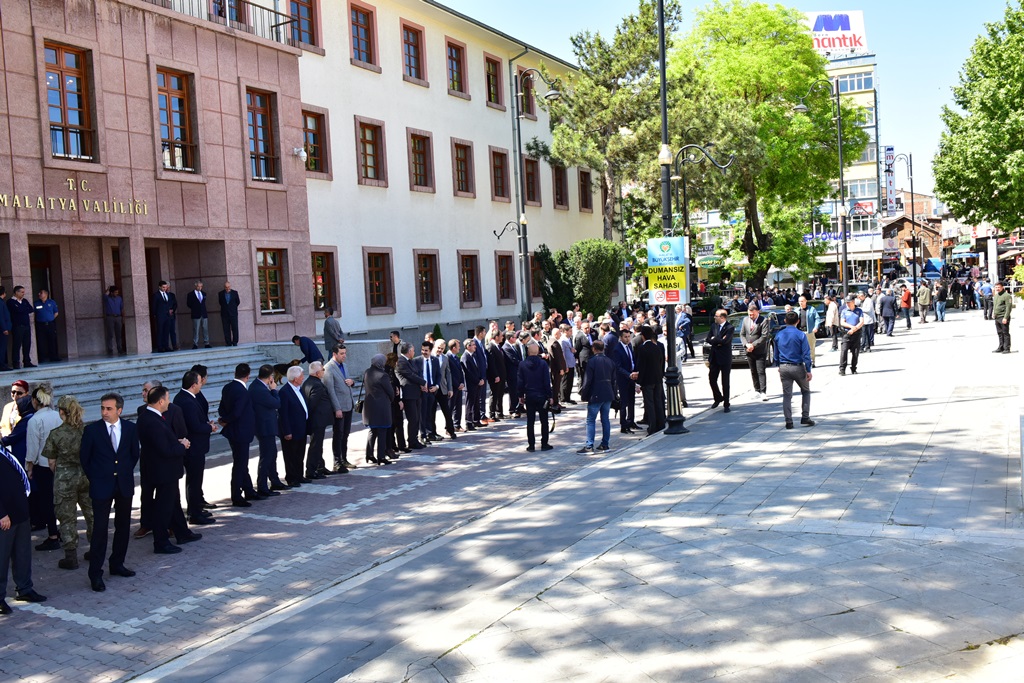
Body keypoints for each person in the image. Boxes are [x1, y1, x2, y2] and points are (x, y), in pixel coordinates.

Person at [79, 392, 139, 592]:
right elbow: (85, 459)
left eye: (109, 408)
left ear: (119, 410)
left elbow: (133, 454)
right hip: (101, 486)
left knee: (123, 526)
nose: (105, 412)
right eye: (102, 408)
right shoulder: (92, 431)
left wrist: (122, 472)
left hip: (123, 484)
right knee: (100, 530)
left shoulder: (130, 428)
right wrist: (96, 477)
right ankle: (96, 573)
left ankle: (117, 564)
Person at [138, 386, 200, 555]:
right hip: (163, 471)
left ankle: (182, 533)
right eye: (167, 398)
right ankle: (161, 542)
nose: (169, 402)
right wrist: (182, 446)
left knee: (172, 504)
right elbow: (165, 450)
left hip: (164, 471)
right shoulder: (151, 420)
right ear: (160, 401)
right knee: (163, 508)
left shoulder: (151, 417)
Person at [42, 395, 93, 570]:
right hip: (86, 475)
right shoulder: (86, 431)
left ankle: (71, 557)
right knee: (91, 513)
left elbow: (51, 462)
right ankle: (95, 549)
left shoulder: (56, 434)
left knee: (67, 517)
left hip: (65, 479)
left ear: (62, 412)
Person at [1, 436, 45, 613]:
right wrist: (1, 513)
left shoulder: (4, 451)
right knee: (2, 557)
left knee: (23, 553)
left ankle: (24, 588)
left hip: (20, 512)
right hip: (5, 516)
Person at [173, 371, 217, 523]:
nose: (201, 384)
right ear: (193, 385)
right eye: (199, 382)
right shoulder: (187, 401)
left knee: (195, 480)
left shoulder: (187, 397)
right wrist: (209, 428)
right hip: (193, 447)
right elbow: (194, 426)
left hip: (196, 446)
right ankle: (194, 514)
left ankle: (197, 508)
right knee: (194, 480)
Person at [26, 386, 62, 551]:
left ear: (35, 400)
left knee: (47, 501)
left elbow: (32, 447)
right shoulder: (57, 416)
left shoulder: (34, 420)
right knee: (59, 500)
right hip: (60, 464)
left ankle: (53, 535)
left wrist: (29, 466)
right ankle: (60, 532)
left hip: (43, 465)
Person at [219, 363, 260, 506]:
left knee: (242, 462)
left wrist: (224, 419)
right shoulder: (242, 391)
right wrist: (226, 420)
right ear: (248, 376)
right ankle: (236, 495)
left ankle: (248, 489)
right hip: (240, 432)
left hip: (233, 431)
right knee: (239, 464)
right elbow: (237, 413)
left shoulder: (227, 387)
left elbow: (221, 408)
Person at [250, 364, 287, 494]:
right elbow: (276, 403)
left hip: (268, 425)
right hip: (264, 427)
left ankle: (275, 481)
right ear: (270, 376)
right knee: (266, 456)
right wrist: (273, 390)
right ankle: (262, 486)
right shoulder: (259, 389)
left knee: (272, 454)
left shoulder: (258, 385)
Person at [775, 311, 815, 429]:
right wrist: (808, 369)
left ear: (785, 321)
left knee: (787, 395)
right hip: (798, 366)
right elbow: (806, 354)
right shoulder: (801, 335)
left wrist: (778, 364)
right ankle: (805, 417)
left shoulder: (779, 335)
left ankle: (788, 421)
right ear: (798, 321)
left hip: (784, 366)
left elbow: (776, 354)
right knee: (806, 391)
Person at [578, 340, 616, 453]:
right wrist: (614, 394)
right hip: (608, 393)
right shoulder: (610, 361)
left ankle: (589, 445)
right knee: (605, 420)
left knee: (590, 420)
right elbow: (614, 381)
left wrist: (584, 394)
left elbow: (587, 380)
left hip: (596, 393)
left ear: (594, 348)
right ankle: (605, 444)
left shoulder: (592, 361)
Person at [324, 344, 356, 471]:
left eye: (345, 353)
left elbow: (347, 381)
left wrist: (352, 382)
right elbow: (330, 390)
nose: (344, 356)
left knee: (346, 434)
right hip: (339, 408)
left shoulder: (345, 366)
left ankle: (344, 458)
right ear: (334, 354)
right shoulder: (329, 368)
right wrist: (337, 408)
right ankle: (337, 462)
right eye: (341, 353)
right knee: (338, 434)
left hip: (348, 405)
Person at [517, 342, 553, 452]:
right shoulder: (542, 364)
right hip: (541, 395)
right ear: (537, 351)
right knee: (544, 420)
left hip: (529, 395)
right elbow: (547, 381)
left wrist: (520, 395)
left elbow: (520, 381)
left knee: (530, 421)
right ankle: (544, 443)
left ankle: (531, 445)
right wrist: (550, 395)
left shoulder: (522, 364)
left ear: (528, 352)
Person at [302, 361, 334, 478]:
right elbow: (312, 404)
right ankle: (311, 470)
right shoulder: (316, 385)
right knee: (316, 445)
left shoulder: (308, 382)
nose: (324, 372)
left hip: (317, 419)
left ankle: (320, 466)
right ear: (317, 372)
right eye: (322, 370)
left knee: (318, 444)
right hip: (317, 420)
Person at [278, 365, 310, 486]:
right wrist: (287, 431)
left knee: (300, 453)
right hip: (291, 429)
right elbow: (283, 414)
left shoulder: (299, 389)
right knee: (290, 455)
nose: (303, 378)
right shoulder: (285, 392)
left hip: (301, 427)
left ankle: (299, 475)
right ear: (295, 378)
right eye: (301, 376)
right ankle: (291, 478)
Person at [361, 354, 393, 465]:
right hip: (382, 407)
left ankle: (369, 455)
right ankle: (381, 457)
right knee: (382, 431)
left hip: (369, 407)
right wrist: (391, 398)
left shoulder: (367, 372)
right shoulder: (382, 375)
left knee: (372, 431)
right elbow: (390, 391)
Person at [635, 326, 666, 435]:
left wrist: (638, 382)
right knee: (658, 401)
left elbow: (641, 367)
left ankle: (652, 427)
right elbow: (661, 362)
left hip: (647, 380)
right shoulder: (657, 347)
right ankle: (661, 423)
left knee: (650, 403)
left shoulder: (642, 349)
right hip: (658, 379)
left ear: (643, 336)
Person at [397, 342, 427, 449]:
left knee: (417, 417)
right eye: (413, 350)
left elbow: (416, 372)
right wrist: (423, 382)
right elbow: (410, 375)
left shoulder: (410, 361)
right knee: (413, 418)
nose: (414, 352)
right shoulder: (401, 361)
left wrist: (421, 384)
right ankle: (412, 441)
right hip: (409, 394)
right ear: (409, 351)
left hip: (416, 393)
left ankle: (414, 439)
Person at [740, 304, 770, 400]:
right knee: (753, 371)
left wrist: (753, 345)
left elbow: (764, 336)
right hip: (749, 350)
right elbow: (742, 334)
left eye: (752, 314)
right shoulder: (745, 320)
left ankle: (763, 391)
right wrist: (746, 345)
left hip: (759, 350)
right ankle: (756, 390)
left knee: (760, 371)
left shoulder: (764, 320)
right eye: (749, 314)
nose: (751, 316)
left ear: (757, 312)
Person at [706, 309, 734, 413]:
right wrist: (717, 340)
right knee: (712, 379)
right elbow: (708, 339)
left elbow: (725, 341)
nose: (714, 318)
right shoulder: (714, 326)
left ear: (722, 317)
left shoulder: (729, 328)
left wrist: (716, 339)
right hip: (714, 357)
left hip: (724, 358)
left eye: (716, 316)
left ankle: (726, 403)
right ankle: (718, 397)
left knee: (725, 381)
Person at [414, 341, 442, 444]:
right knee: (422, 413)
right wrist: (420, 385)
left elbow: (438, 375)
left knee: (430, 412)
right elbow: (414, 375)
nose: (424, 352)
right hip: (422, 391)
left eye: (426, 350)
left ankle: (430, 433)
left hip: (432, 390)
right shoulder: (416, 361)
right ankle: (423, 434)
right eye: (422, 350)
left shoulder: (434, 360)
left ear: (430, 351)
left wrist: (436, 386)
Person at [612, 329, 639, 432]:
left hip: (632, 377)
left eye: (629, 336)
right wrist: (629, 375)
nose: (628, 339)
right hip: (623, 379)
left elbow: (632, 361)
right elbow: (618, 367)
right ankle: (623, 424)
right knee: (624, 402)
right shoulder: (617, 349)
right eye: (625, 337)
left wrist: (636, 373)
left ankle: (631, 421)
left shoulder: (630, 346)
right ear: (620, 337)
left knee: (632, 400)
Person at [433, 339, 458, 439]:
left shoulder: (445, 358)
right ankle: (433, 432)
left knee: (447, 411)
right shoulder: (429, 357)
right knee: (431, 412)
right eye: (438, 348)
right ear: (434, 346)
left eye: (442, 349)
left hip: (442, 388)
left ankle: (450, 430)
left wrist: (450, 388)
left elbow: (448, 374)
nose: (440, 350)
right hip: (432, 388)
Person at [7, 286, 34, 368]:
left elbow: (30, 309)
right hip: (17, 326)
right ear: (16, 292)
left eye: (23, 292)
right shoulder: (10, 302)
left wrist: (21, 309)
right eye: (21, 292)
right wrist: (22, 309)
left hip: (26, 325)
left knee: (27, 344)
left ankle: (27, 361)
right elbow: (17, 311)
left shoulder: (24, 301)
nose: (23, 293)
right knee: (17, 344)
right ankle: (15, 362)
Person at [838, 294, 864, 376]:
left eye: (849, 302)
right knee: (844, 351)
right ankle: (842, 369)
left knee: (855, 352)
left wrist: (855, 329)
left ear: (853, 302)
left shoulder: (859, 311)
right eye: (846, 303)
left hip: (856, 334)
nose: (847, 304)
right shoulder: (844, 311)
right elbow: (842, 322)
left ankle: (853, 368)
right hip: (846, 334)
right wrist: (851, 327)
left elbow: (862, 321)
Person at [461, 339, 484, 431]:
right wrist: (477, 381)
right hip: (470, 384)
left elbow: (478, 368)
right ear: (468, 346)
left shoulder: (473, 355)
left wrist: (481, 378)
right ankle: (469, 422)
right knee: (470, 404)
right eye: (473, 345)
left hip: (477, 383)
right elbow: (468, 372)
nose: (475, 346)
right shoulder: (465, 357)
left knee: (476, 402)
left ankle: (476, 420)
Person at [486, 331, 508, 420]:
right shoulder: (491, 347)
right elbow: (492, 363)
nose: (502, 338)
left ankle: (500, 412)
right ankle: (492, 414)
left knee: (500, 394)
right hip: (495, 376)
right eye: (501, 336)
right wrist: (495, 375)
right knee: (494, 394)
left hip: (501, 375)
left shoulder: (498, 346)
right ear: (496, 337)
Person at [33, 289, 59, 363]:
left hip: (50, 324)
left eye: (41, 293)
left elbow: (56, 313)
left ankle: (54, 356)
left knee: (52, 340)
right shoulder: (36, 303)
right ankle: (42, 357)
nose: (39, 294)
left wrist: (50, 319)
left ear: (46, 294)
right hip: (40, 325)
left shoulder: (52, 302)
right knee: (41, 341)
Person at [151, 280, 177, 353]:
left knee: (166, 331)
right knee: (160, 331)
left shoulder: (168, 294)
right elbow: (154, 306)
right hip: (160, 316)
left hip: (168, 316)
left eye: (165, 287)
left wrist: (170, 311)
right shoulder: (156, 295)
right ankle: (160, 346)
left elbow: (170, 304)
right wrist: (155, 315)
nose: (164, 289)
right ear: (159, 287)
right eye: (163, 287)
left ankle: (166, 346)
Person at [446, 339, 466, 432]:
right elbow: (449, 374)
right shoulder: (448, 357)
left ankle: (457, 425)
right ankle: (448, 427)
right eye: (458, 346)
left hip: (459, 386)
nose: (459, 348)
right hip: (453, 387)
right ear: (453, 348)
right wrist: (457, 384)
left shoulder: (456, 357)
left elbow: (460, 371)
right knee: (450, 408)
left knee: (458, 407)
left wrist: (462, 382)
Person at [186, 281, 211, 350]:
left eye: (201, 286)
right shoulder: (190, 294)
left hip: (203, 313)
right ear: (195, 286)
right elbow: (188, 304)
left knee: (205, 329)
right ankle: (195, 344)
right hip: (196, 314)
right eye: (198, 286)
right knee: (196, 329)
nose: (200, 288)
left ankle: (207, 343)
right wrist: (195, 308)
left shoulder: (204, 293)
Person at [796, 296, 820, 368]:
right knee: (799, 348)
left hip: (809, 331)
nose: (801, 303)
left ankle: (812, 361)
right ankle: (801, 362)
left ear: (806, 301)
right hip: (799, 332)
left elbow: (817, 318)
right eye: (800, 301)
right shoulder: (796, 310)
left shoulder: (812, 309)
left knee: (811, 347)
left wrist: (816, 327)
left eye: (802, 301)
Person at [103, 286, 125, 355]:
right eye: (115, 292)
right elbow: (104, 295)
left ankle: (120, 349)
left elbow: (122, 309)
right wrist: (107, 290)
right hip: (110, 317)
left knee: (118, 334)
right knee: (110, 334)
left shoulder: (119, 299)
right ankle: (110, 349)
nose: (116, 293)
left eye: (117, 292)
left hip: (118, 317)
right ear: (111, 293)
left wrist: (123, 318)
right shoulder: (107, 299)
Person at [993, 281, 1013, 353]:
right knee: (999, 333)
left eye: (999, 287)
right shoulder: (996, 295)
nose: (997, 289)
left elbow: (1008, 308)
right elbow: (995, 306)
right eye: (996, 287)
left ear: (1002, 287)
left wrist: (1005, 317)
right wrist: (994, 313)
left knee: (1005, 333)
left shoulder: (1007, 296)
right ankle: (1001, 347)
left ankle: (1007, 348)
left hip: (1003, 316)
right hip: (997, 317)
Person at [218, 282, 240, 347]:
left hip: (233, 313)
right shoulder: (220, 294)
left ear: (230, 286)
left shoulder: (235, 293)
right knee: (226, 329)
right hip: (224, 314)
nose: (227, 288)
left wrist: (232, 308)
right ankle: (228, 342)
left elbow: (238, 302)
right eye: (226, 287)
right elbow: (220, 303)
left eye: (228, 287)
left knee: (235, 328)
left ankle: (235, 341)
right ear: (224, 287)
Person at [0, 286, 11, 371]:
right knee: (2, 347)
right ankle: (2, 365)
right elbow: (1, 317)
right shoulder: (0, 302)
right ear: (3, 293)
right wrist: (4, 328)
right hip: (2, 329)